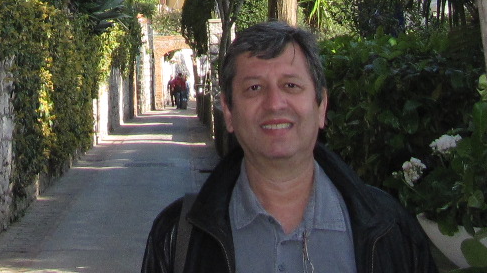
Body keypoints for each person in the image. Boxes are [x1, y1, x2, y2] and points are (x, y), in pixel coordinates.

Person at [141, 21, 437, 273]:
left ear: (321, 106)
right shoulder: (178, 236)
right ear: (229, 112)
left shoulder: (390, 229)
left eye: (291, 86)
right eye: (254, 88)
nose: (275, 104)